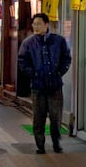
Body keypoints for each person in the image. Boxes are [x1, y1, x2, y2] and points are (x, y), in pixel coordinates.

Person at [18, 12, 71, 154]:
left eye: (39, 24)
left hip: (55, 86)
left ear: (46, 25)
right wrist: (33, 74)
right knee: (38, 118)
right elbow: (22, 61)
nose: (36, 27)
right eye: (34, 24)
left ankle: (56, 143)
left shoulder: (58, 40)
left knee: (56, 117)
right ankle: (40, 145)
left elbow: (66, 58)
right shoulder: (28, 43)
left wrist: (60, 72)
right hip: (37, 87)